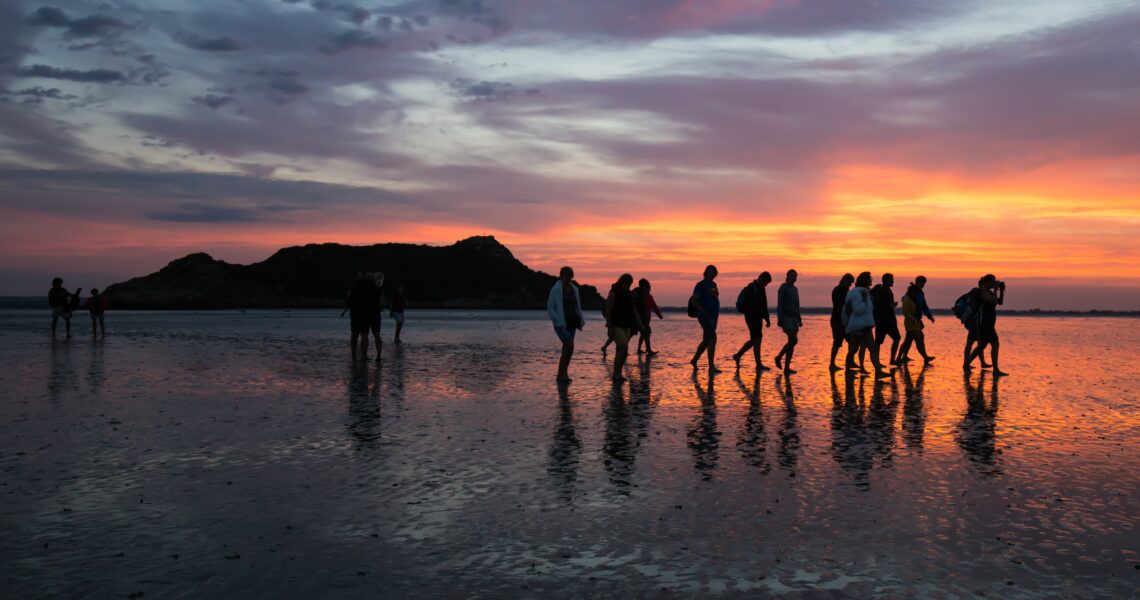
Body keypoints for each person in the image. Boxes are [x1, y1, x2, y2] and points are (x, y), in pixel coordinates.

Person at [843, 272, 890, 379]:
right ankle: (847, 369)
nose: (871, 280)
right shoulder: (857, 293)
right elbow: (858, 310)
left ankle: (878, 372)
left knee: (872, 348)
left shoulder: (865, 292)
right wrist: (864, 300)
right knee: (853, 349)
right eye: (869, 279)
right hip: (857, 326)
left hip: (866, 326)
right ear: (865, 280)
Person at [547, 266, 585, 383]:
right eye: (566, 275)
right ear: (561, 275)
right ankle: (561, 374)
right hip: (561, 324)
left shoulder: (574, 289)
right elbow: (550, 308)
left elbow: (577, 305)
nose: (568, 277)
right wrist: (557, 320)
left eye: (570, 275)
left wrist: (580, 318)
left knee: (567, 349)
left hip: (572, 322)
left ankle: (562, 374)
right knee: (569, 345)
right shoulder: (556, 289)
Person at [606, 274, 645, 382]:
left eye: (629, 284)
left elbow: (633, 309)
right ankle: (616, 374)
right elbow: (608, 310)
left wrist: (640, 323)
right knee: (623, 347)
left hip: (627, 325)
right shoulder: (614, 293)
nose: (628, 286)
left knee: (621, 350)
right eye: (627, 284)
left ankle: (617, 373)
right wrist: (609, 327)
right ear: (622, 282)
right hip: (616, 325)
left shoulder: (628, 294)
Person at [967, 275, 1007, 376]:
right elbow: (993, 301)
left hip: (989, 323)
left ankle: (966, 364)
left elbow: (1000, 302)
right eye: (993, 282)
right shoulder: (981, 292)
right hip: (983, 323)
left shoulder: (989, 292)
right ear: (988, 282)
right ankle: (996, 370)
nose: (994, 284)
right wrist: (996, 289)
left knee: (982, 346)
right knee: (994, 343)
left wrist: (1001, 291)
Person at [731, 271, 772, 370]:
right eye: (766, 283)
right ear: (762, 279)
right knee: (756, 339)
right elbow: (749, 306)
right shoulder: (751, 288)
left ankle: (739, 356)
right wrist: (754, 315)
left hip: (758, 318)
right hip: (751, 318)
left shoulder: (761, 289)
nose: (766, 285)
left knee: (756, 339)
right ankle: (756, 364)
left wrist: (767, 319)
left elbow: (764, 305)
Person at [689, 265, 721, 373]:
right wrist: (704, 313)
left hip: (713, 316)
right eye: (710, 272)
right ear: (706, 273)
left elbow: (714, 298)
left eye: (713, 272)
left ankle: (694, 360)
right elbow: (694, 301)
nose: (712, 274)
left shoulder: (713, 284)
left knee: (707, 339)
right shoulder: (700, 285)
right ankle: (711, 366)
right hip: (704, 316)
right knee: (713, 338)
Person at [347, 272, 383, 360]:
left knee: (362, 334)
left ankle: (360, 355)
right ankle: (378, 356)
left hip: (362, 313)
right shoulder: (377, 286)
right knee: (376, 334)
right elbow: (380, 301)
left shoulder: (357, 286)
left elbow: (350, 300)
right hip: (375, 313)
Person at [897, 280, 935, 364]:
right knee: (917, 339)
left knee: (909, 340)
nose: (923, 285)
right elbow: (907, 313)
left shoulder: (918, 294)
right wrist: (914, 320)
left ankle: (901, 357)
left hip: (916, 321)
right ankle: (925, 357)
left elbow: (923, 306)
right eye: (922, 283)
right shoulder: (907, 298)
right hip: (911, 323)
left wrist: (929, 316)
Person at [774, 270, 802, 374]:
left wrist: (799, 318)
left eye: (795, 276)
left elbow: (797, 304)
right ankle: (778, 357)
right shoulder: (783, 288)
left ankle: (786, 368)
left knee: (792, 342)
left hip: (794, 318)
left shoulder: (795, 289)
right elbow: (780, 304)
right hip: (786, 317)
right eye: (792, 276)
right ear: (787, 276)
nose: (794, 278)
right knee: (794, 340)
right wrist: (779, 318)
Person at [870, 273, 900, 366]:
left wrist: (891, 306)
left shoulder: (887, 290)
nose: (893, 281)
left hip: (887, 320)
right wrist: (891, 305)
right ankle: (879, 362)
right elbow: (878, 304)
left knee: (895, 338)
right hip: (884, 320)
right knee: (879, 341)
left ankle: (890, 360)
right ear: (886, 280)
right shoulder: (882, 290)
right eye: (892, 280)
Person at [828, 273, 855, 371]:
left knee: (851, 340)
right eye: (850, 282)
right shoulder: (839, 290)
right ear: (845, 281)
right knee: (838, 342)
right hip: (837, 320)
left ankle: (849, 361)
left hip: (844, 320)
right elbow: (838, 304)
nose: (851, 285)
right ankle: (832, 364)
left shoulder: (843, 290)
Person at [632, 278, 663, 356]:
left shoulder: (650, 296)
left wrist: (659, 315)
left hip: (646, 319)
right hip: (639, 318)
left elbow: (654, 307)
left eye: (650, 287)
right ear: (644, 287)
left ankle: (640, 349)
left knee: (644, 334)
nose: (649, 288)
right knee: (645, 332)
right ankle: (647, 350)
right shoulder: (638, 295)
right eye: (648, 287)